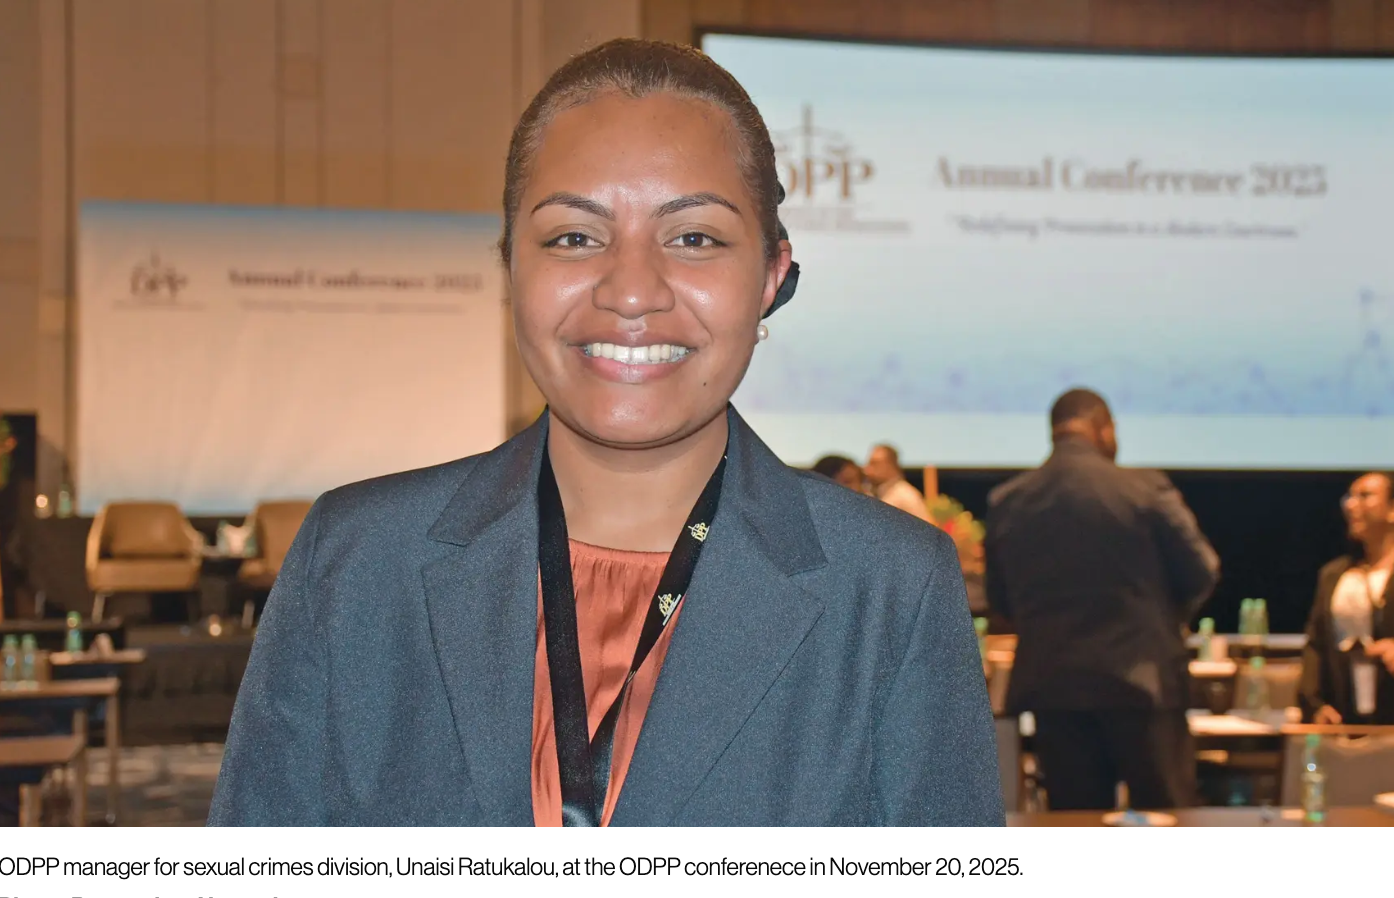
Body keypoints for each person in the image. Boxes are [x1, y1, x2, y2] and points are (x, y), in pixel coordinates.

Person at [209, 39, 1001, 827]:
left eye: (694, 238)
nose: (630, 292)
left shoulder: (891, 590)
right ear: (511, 265)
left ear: (770, 276)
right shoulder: (355, 563)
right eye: (574, 238)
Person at [985, 388, 1219, 811]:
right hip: (1143, 684)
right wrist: (1166, 619)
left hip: (1054, 690)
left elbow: (999, 600)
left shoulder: (1008, 501)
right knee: (1166, 823)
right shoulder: (1144, 489)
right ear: (1104, 429)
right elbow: (1202, 569)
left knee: (1075, 829)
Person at [1300, 471, 1394, 725]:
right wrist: (1314, 704)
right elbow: (1316, 643)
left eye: (1365, 496)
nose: (1351, 505)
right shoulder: (1334, 574)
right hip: (1342, 718)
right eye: (1349, 497)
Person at [864, 444, 931, 522]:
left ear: (890, 465)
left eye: (874, 464)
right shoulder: (873, 492)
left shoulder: (905, 495)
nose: (867, 470)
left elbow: (928, 526)